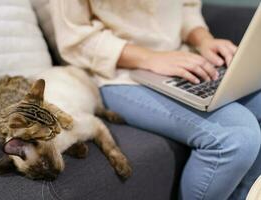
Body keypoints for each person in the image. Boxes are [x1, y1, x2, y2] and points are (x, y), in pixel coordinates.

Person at [50, 0, 261, 199]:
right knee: (236, 135)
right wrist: (151, 58)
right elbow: (75, 41)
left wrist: (204, 40)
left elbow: (186, 6)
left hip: (183, 59)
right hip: (118, 74)